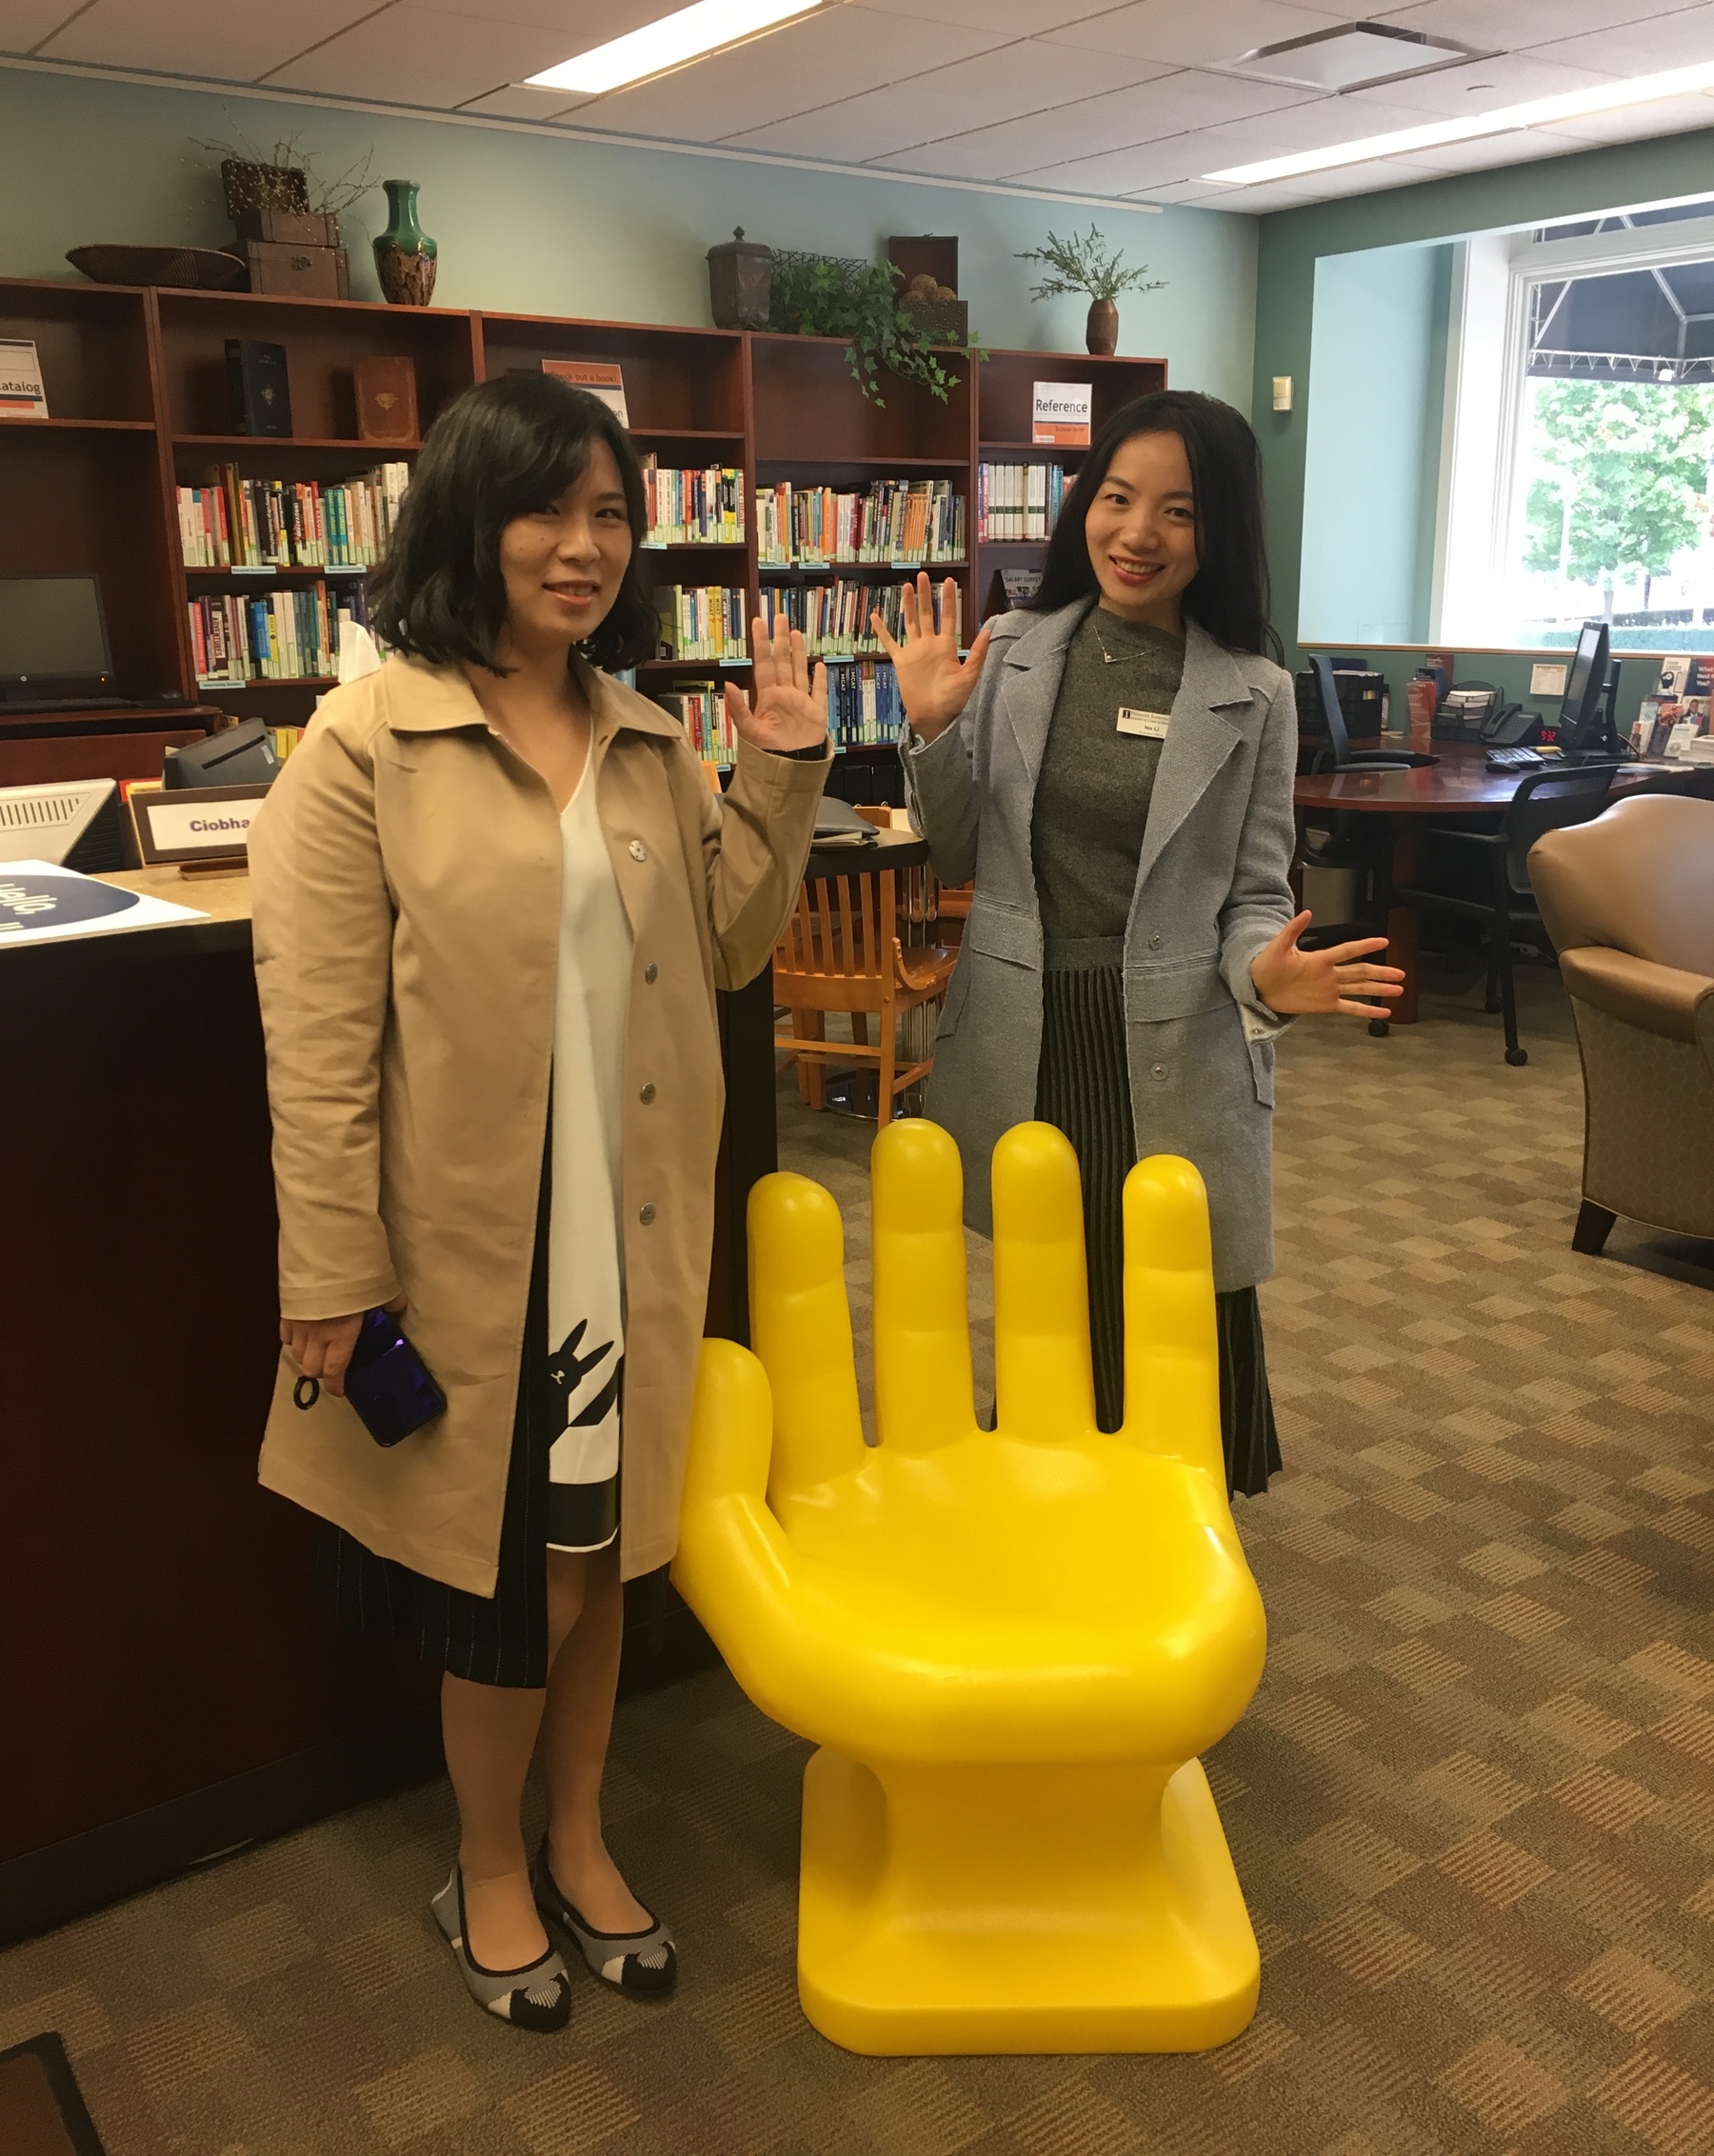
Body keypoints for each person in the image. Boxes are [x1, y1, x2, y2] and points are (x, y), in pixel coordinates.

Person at [248, 371, 830, 2032]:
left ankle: (580, 1840)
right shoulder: (367, 745)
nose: (583, 549)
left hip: (629, 1229)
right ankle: (486, 1866)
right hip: (472, 1250)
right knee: (516, 1583)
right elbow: (317, 1043)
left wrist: (781, 770)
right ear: (467, 522)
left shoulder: (646, 735)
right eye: (546, 511)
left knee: (600, 1560)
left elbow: (725, 948)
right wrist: (336, 1269)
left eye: (610, 514)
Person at [883, 389, 1403, 1491]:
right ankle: (1053, 1491)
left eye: (1177, 510)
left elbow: (1257, 890)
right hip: (1028, 1030)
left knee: (1172, 1280)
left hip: (1175, 1033)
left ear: (1217, 534)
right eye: (1117, 499)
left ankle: (1181, 1519)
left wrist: (1263, 972)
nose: (1137, 533)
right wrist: (932, 731)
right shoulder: (1016, 652)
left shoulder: (1254, 694)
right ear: (1086, 507)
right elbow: (951, 856)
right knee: (1047, 1280)